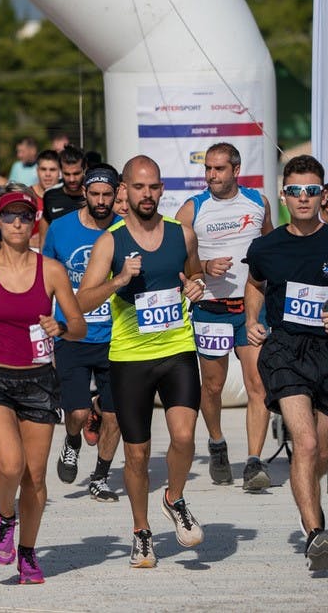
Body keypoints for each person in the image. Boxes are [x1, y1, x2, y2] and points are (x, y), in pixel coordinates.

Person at [77, 155, 208, 567]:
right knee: (136, 454)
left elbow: (192, 275)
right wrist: (118, 280)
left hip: (177, 348)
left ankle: (174, 497)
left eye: (153, 187)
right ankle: (141, 531)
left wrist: (196, 287)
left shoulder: (181, 234)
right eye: (138, 187)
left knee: (184, 437)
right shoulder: (111, 242)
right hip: (131, 358)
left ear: (162, 189)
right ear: (124, 192)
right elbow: (80, 300)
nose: (146, 194)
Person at [0, 191, 86, 584]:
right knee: (10, 464)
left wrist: (61, 327)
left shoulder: (51, 270)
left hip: (38, 380)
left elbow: (80, 325)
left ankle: (28, 553)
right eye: (10, 216)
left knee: (34, 476)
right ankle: (4, 518)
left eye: (24, 217)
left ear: (34, 222)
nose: (17, 224)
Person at [243, 154, 328, 571]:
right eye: (295, 191)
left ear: (323, 195)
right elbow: (255, 283)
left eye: (312, 190)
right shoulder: (265, 247)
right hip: (286, 351)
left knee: (321, 452)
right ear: (283, 195)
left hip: (327, 351)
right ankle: (315, 532)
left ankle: (308, 495)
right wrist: (251, 320)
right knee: (306, 443)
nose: (303, 198)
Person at [175, 142, 273, 489]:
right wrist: (202, 267)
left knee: (257, 384)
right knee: (213, 386)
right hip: (210, 310)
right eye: (208, 169)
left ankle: (254, 461)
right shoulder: (192, 209)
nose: (212, 176)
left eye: (218, 169)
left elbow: (270, 247)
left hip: (250, 308)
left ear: (236, 169)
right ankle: (217, 442)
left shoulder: (258, 203)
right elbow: (173, 260)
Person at [43, 166, 123, 501]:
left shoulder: (126, 230)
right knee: (75, 413)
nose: (102, 201)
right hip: (71, 334)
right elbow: (44, 277)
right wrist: (39, 323)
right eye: (95, 194)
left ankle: (101, 477)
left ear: (117, 193)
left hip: (116, 336)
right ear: (84, 194)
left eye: (108, 194)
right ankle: (73, 440)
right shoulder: (60, 229)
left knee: (114, 415)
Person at [37, 146, 87, 242]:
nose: (72, 179)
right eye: (67, 174)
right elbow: (44, 237)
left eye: (76, 173)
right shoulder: (50, 196)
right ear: (60, 170)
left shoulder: (93, 195)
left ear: (84, 169)